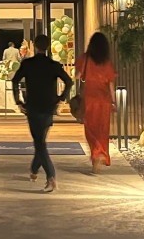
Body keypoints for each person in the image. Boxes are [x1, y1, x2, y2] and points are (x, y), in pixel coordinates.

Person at [11, 34, 73, 193]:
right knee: (40, 141)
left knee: (39, 142)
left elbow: (15, 80)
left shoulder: (28, 64)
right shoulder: (53, 65)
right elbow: (69, 81)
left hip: (32, 107)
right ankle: (33, 170)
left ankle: (51, 176)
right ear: (47, 47)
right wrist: (61, 98)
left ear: (35, 46)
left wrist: (18, 101)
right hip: (48, 107)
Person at [80, 32, 117, 174]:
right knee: (102, 130)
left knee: (90, 130)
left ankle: (95, 154)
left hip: (89, 100)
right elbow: (111, 85)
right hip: (104, 101)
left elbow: (78, 75)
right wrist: (114, 101)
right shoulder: (107, 63)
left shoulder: (86, 59)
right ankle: (100, 154)